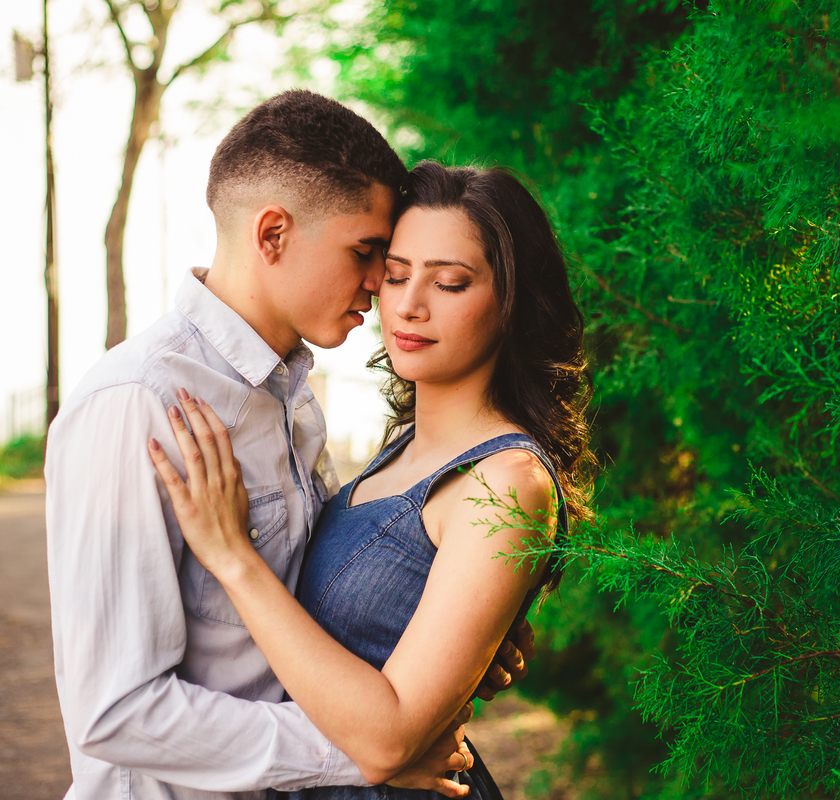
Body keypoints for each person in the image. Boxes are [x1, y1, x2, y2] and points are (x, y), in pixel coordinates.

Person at [45, 91, 528, 800]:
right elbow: (117, 710)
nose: (381, 287)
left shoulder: (292, 398)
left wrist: (446, 638)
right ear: (272, 234)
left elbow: (308, 610)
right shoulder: (139, 405)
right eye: (368, 253)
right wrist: (365, 753)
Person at [145, 160, 595, 799]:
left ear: (512, 302)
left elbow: (388, 741)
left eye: (451, 282)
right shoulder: (405, 448)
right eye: (396, 274)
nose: (408, 305)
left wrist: (232, 557)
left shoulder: (509, 481)